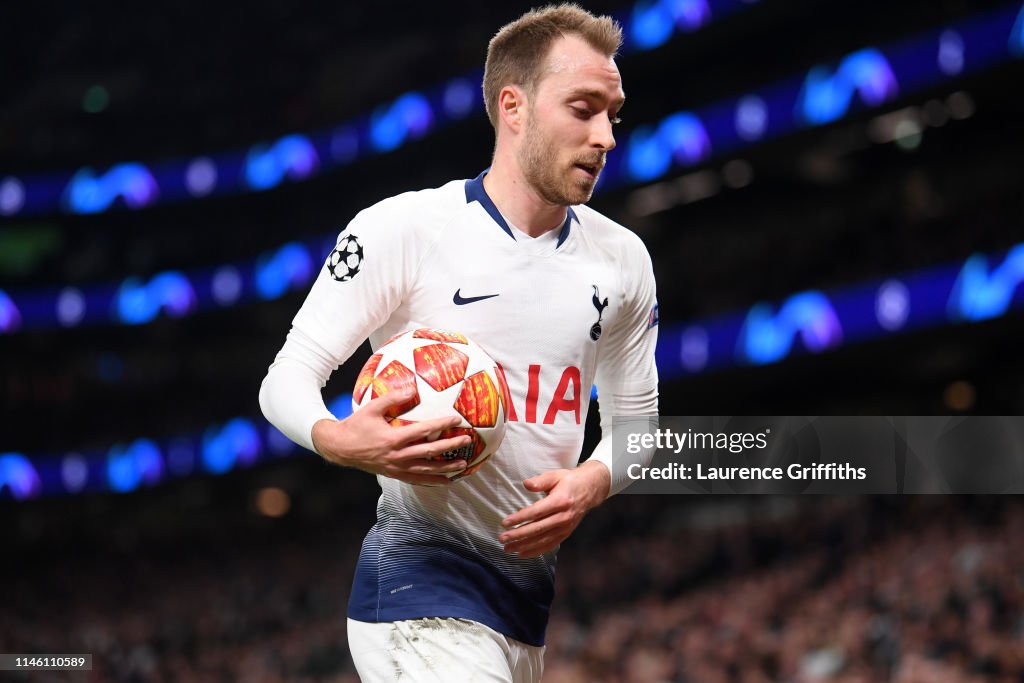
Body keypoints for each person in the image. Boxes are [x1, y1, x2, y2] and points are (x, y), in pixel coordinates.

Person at [259, 4, 659, 681]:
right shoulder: (403, 230)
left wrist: (591, 481)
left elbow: (639, 432)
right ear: (514, 106)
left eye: (612, 115)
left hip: (522, 610)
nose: (606, 137)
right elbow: (285, 378)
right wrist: (336, 436)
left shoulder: (623, 262)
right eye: (584, 109)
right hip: (417, 592)